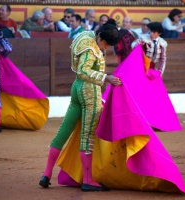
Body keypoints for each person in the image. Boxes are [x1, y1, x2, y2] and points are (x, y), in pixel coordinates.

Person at [39, 19, 122, 192]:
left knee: (63, 132)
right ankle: (88, 180)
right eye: (104, 44)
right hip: (89, 90)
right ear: (99, 36)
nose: (105, 48)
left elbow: (79, 71)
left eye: (108, 46)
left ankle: (46, 175)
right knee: (87, 137)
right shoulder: (92, 48)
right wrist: (105, 77)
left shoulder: (84, 35)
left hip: (76, 88)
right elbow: (84, 71)